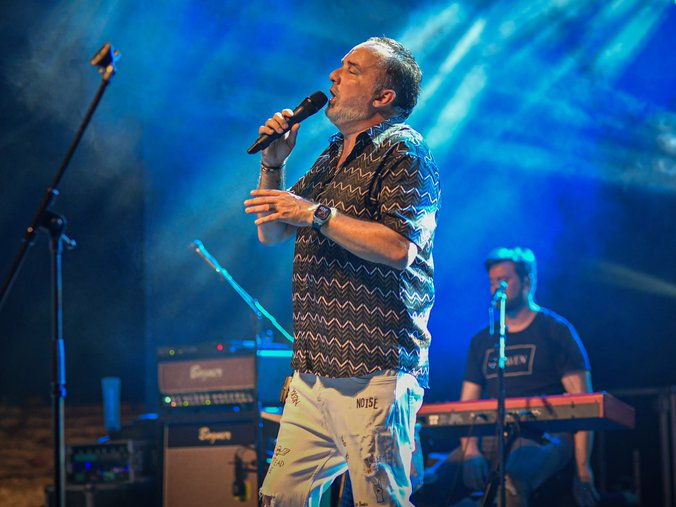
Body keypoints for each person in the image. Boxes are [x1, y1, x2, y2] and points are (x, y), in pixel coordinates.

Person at [243, 37, 441, 506]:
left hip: (374, 370)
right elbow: (271, 232)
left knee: (378, 500)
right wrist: (273, 164)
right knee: (279, 499)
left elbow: (399, 248)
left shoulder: (405, 150)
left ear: (383, 96)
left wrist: (314, 213)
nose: (333, 76)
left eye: (351, 70)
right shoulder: (332, 154)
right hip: (313, 372)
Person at [413, 247, 600, 507]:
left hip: (544, 437)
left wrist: (583, 469)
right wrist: (471, 450)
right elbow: (468, 406)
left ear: (527, 281)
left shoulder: (557, 331)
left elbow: (583, 406)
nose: (496, 288)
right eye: (492, 282)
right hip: (490, 437)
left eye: (504, 280)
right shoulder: (482, 341)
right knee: (427, 485)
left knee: (510, 482)